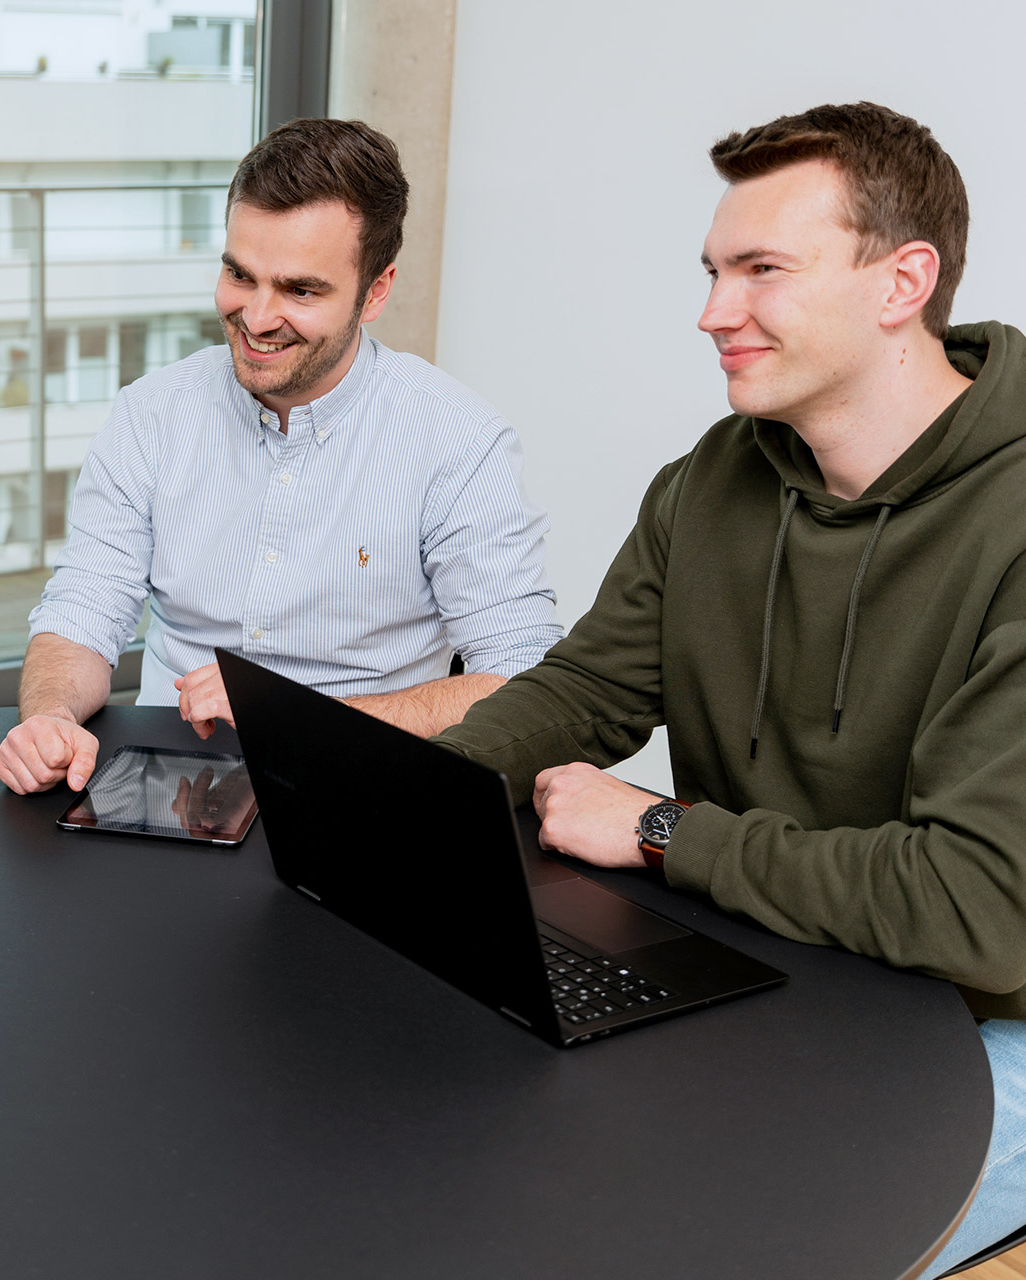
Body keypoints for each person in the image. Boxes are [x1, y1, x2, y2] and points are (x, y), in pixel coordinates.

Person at [428, 102, 1026, 1277]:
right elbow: (588, 689)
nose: (713, 312)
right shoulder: (713, 478)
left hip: (981, 1021)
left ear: (904, 281)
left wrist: (659, 830)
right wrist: (410, 798)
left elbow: (976, 904)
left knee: (723, 1239)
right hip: (782, 963)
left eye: (762, 270)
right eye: (712, 271)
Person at [0, 118, 561, 796]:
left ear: (376, 290)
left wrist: (297, 719)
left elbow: (524, 677)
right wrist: (49, 718)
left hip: (360, 786)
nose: (257, 318)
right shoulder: (150, 415)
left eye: (300, 290)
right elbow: (82, 610)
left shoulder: (458, 442)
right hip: (174, 787)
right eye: (239, 274)